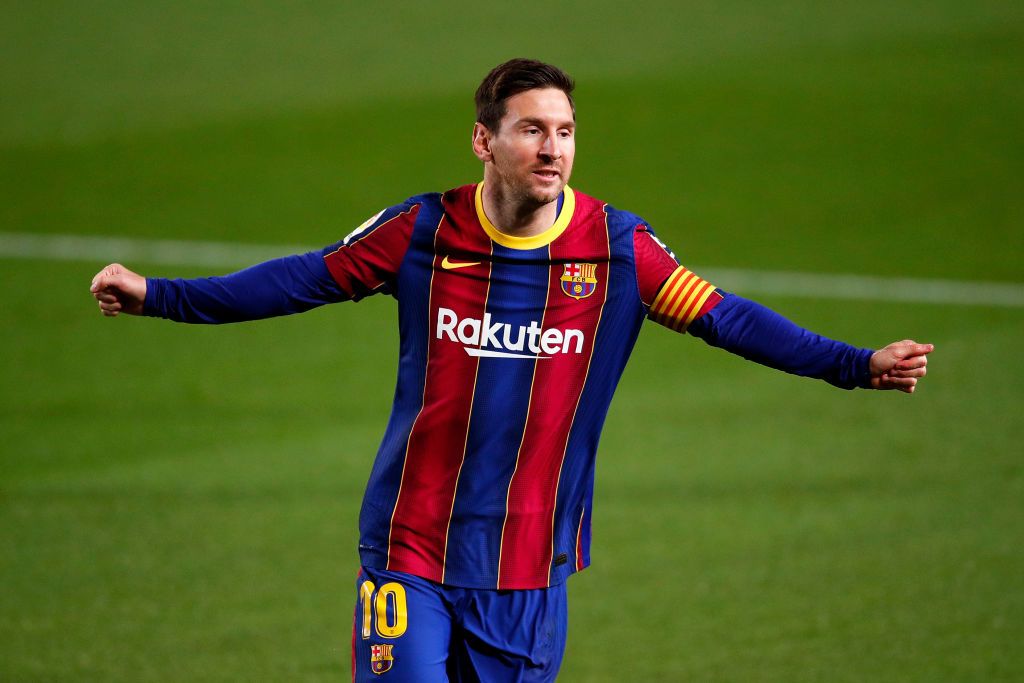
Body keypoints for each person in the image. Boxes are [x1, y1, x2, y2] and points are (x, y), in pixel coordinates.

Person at [90, 58, 932, 682]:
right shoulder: (423, 230)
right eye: (532, 128)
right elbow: (301, 279)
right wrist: (160, 294)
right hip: (410, 545)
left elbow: (728, 319)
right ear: (484, 140)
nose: (553, 147)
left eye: (564, 130)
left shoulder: (617, 248)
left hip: (529, 563)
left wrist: (854, 366)